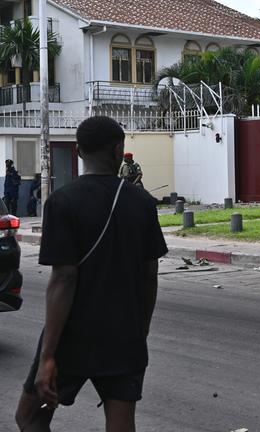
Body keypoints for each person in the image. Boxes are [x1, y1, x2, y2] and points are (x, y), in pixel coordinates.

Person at [15, 116, 168, 431]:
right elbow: (149, 274)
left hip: (72, 337)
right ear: (118, 150)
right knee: (121, 423)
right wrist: (141, 330)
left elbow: (63, 279)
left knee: (29, 416)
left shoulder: (63, 202)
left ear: (80, 152)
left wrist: (48, 356)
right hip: (125, 335)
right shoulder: (142, 202)